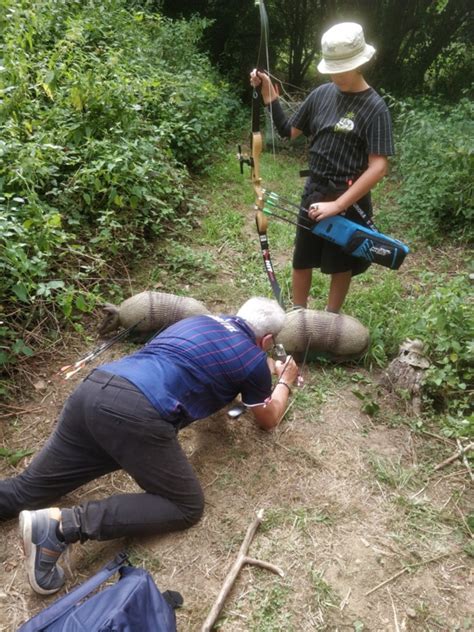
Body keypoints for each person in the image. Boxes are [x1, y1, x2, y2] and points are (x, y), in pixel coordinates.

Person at [0, 297, 298, 595]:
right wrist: (285, 380)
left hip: (97, 388)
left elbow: (207, 362)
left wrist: (262, 366)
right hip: (135, 415)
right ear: (268, 339)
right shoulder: (253, 360)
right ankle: (61, 526)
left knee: (27, 489)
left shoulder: (199, 322)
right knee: (186, 507)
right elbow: (267, 418)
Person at [251, 22, 394, 313]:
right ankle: (298, 315)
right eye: (332, 68)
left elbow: (378, 167)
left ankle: (330, 319)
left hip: (349, 196)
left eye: (343, 68)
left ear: (361, 63)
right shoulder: (321, 95)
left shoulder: (375, 107)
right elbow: (287, 131)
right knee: (302, 258)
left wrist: (338, 205)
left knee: (340, 263)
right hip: (315, 190)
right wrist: (268, 94)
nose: (336, 75)